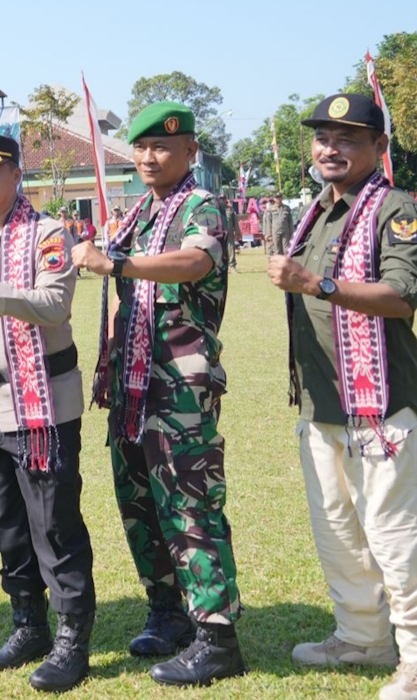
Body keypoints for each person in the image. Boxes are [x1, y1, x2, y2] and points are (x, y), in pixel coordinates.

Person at [71, 102, 246, 687]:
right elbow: (121, 295)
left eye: (162, 148)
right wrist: (107, 360)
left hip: (179, 386)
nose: (148, 157)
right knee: (140, 506)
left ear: (190, 152)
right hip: (132, 384)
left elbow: (194, 263)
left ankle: (217, 636)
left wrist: (117, 262)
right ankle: (167, 612)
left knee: (190, 506)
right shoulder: (140, 211)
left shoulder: (202, 206)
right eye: (141, 148)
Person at [267, 93, 417, 700]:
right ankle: (362, 636)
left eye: (348, 138)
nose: (331, 148)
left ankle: (413, 653)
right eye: (323, 137)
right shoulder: (317, 212)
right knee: (338, 531)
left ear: (380, 149)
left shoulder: (397, 209)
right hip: (322, 405)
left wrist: (317, 282)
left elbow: (403, 297)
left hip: (381, 406)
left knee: (392, 533)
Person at [0, 134, 95, 692]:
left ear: (15, 173)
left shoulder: (48, 234)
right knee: (4, 524)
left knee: (54, 525)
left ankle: (73, 637)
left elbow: (55, 304)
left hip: (41, 407)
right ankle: (28, 622)